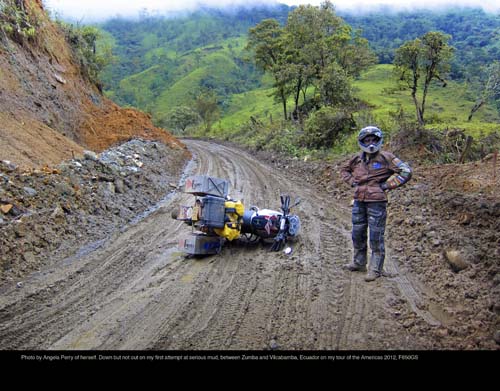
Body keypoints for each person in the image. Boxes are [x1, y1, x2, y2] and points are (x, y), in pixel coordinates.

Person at [340, 126, 412, 282]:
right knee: (357, 233)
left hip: (377, 203)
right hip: (359, 200)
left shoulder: (386, 157)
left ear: (379, 140)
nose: (370, 143)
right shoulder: (357, 159)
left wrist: (386, 186)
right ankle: (359, 263)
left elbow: (405, 172)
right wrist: (353, 183)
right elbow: (344, 170)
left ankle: (375, 269)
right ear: (361, 141)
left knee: (375, 236)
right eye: (367, 140)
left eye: (373, 140)